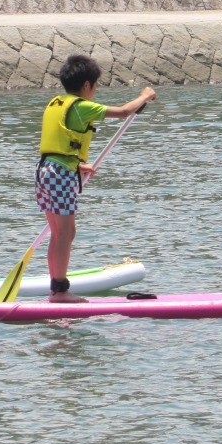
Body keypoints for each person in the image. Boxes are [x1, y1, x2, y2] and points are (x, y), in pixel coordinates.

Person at [35, 54, 156, 303]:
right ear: (87, 85)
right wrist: (145, 96)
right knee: (65, 234)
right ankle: (59, 291)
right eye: (96, 85)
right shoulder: (80, 106)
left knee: (59, 233)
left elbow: (59, 144)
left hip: (47, 170)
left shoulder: (56, 102)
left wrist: (77, 165)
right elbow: (123, 112)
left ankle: (56, 289)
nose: (96, 90)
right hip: (58, 175)